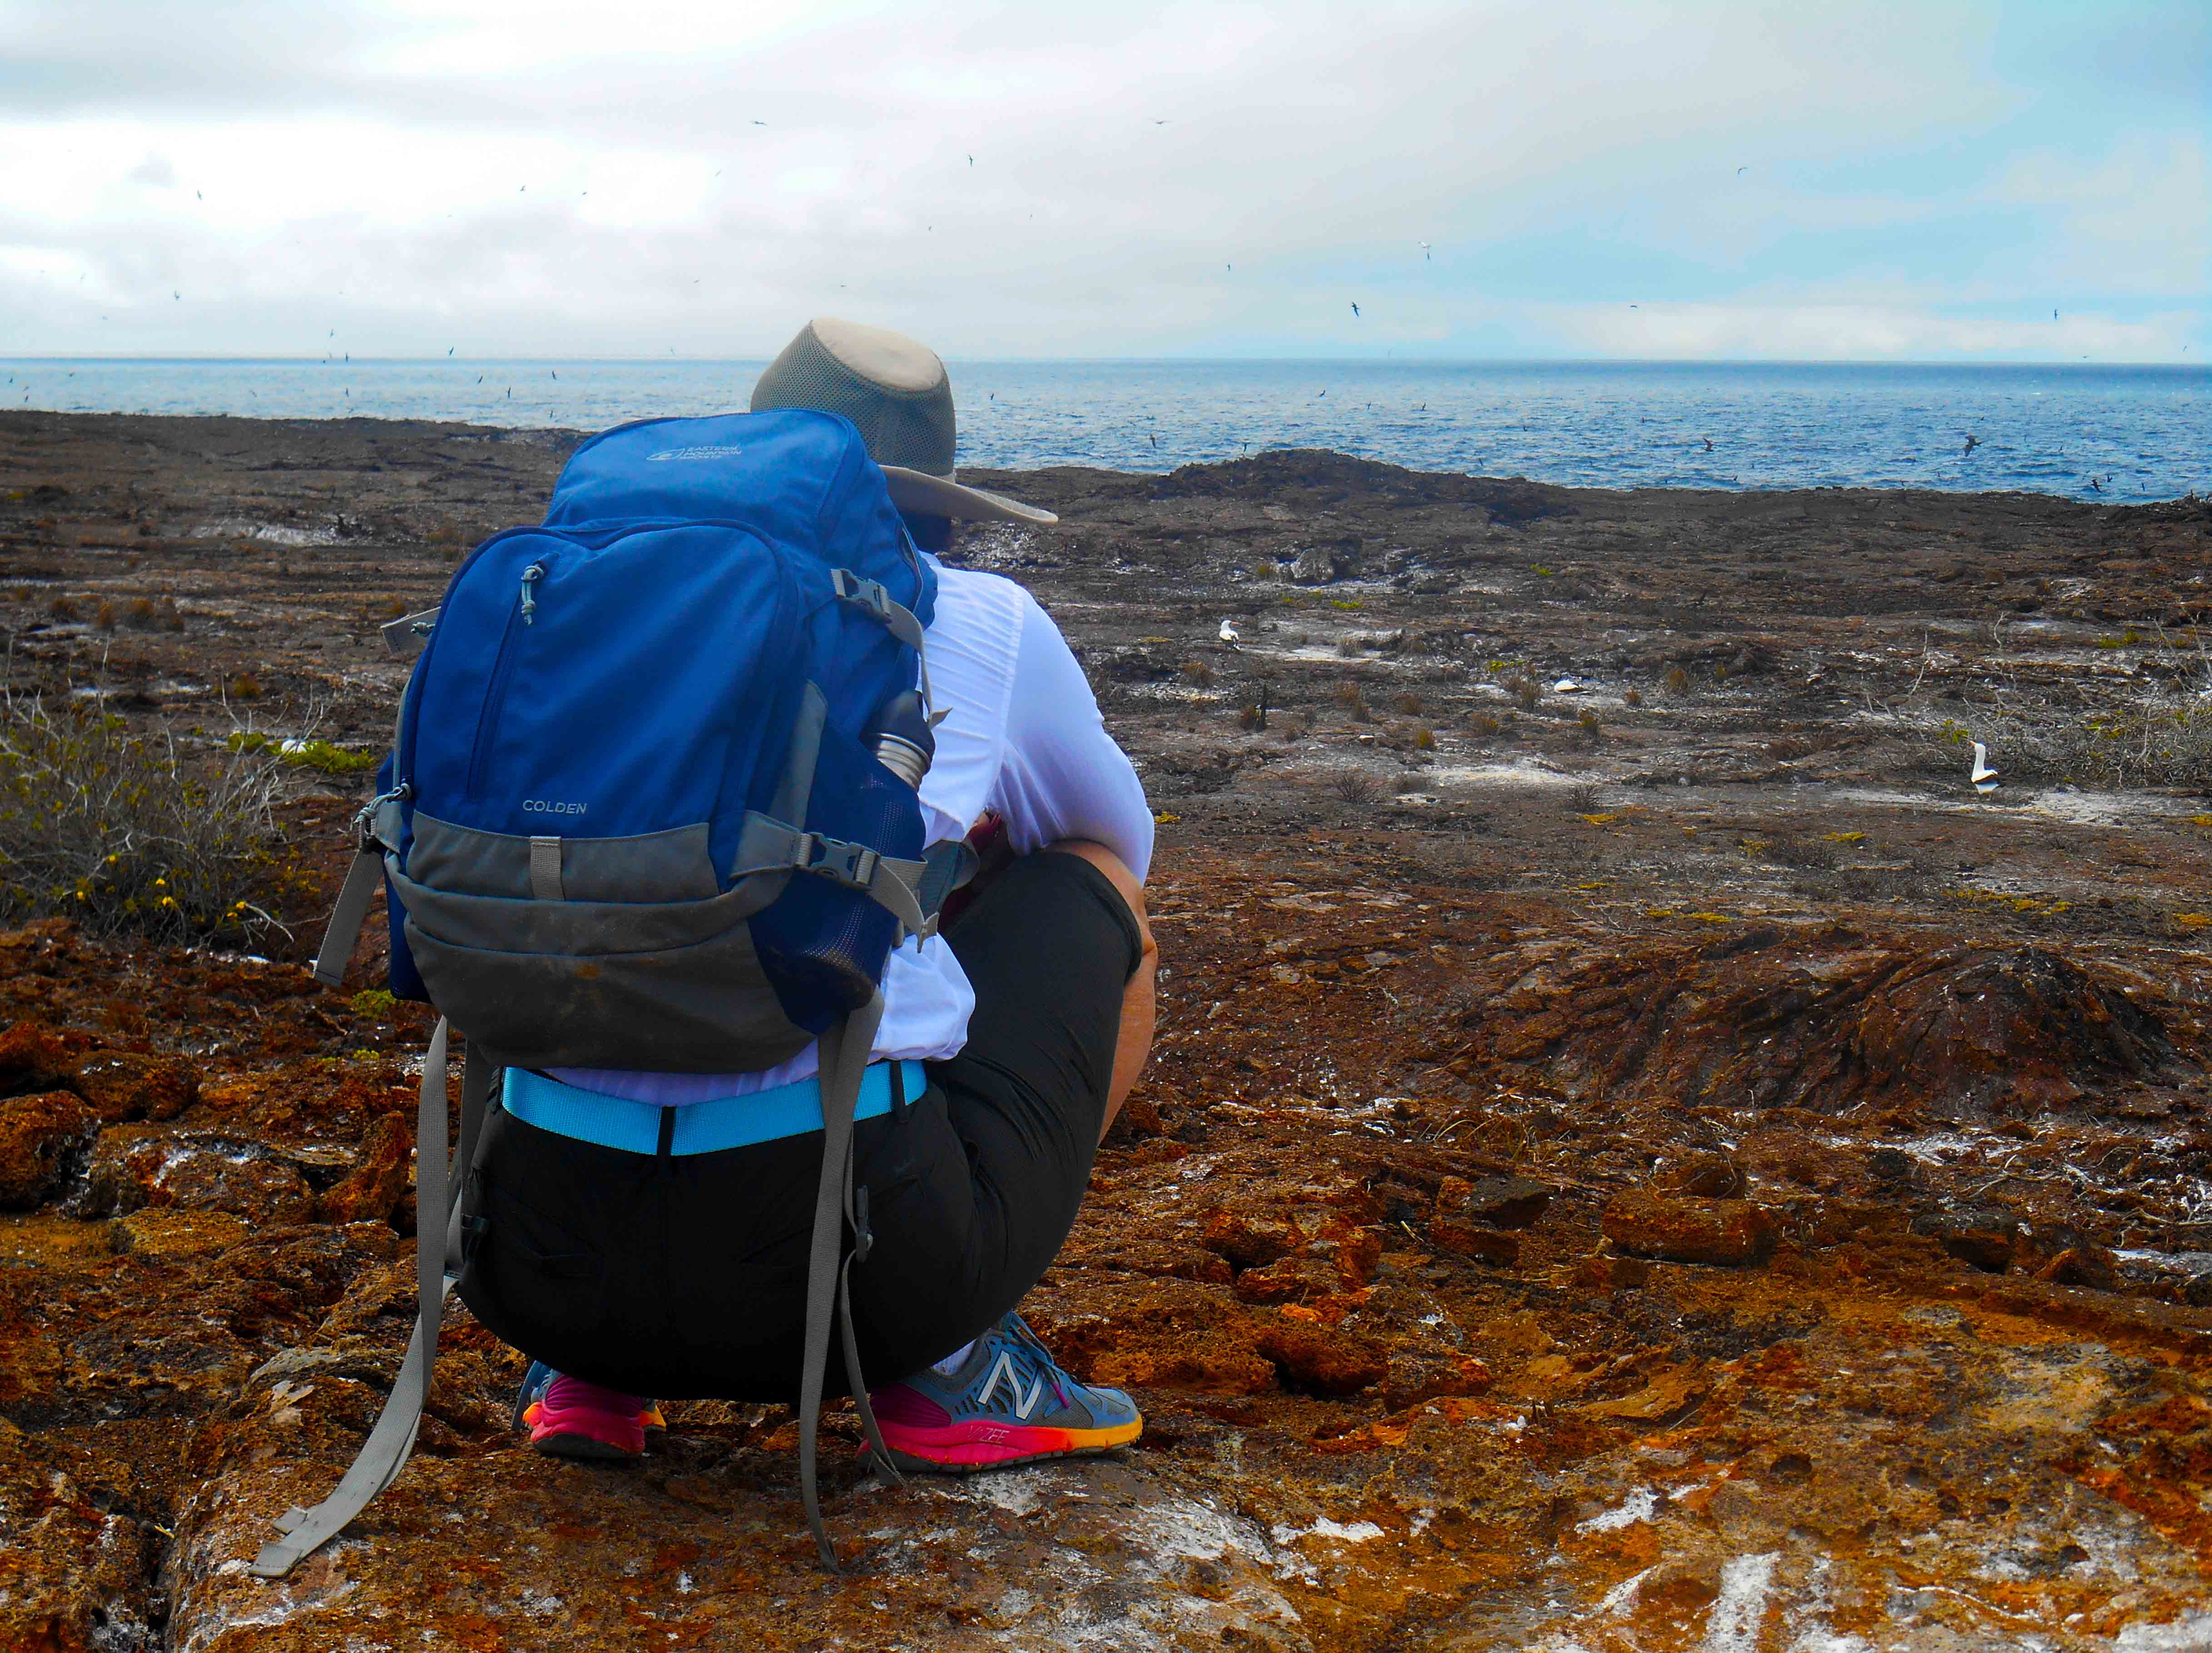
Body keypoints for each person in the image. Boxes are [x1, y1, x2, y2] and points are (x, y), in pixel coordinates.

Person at [462, 317, 1160, 1481]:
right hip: (861, 1285)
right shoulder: (981, 618)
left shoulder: (578, 608)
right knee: (1090, 887)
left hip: (532, 1268)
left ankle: (591, 1379)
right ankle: (952, 1358)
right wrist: (933, 853)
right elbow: (1114, 838)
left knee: (579, 891)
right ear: (935, 505)